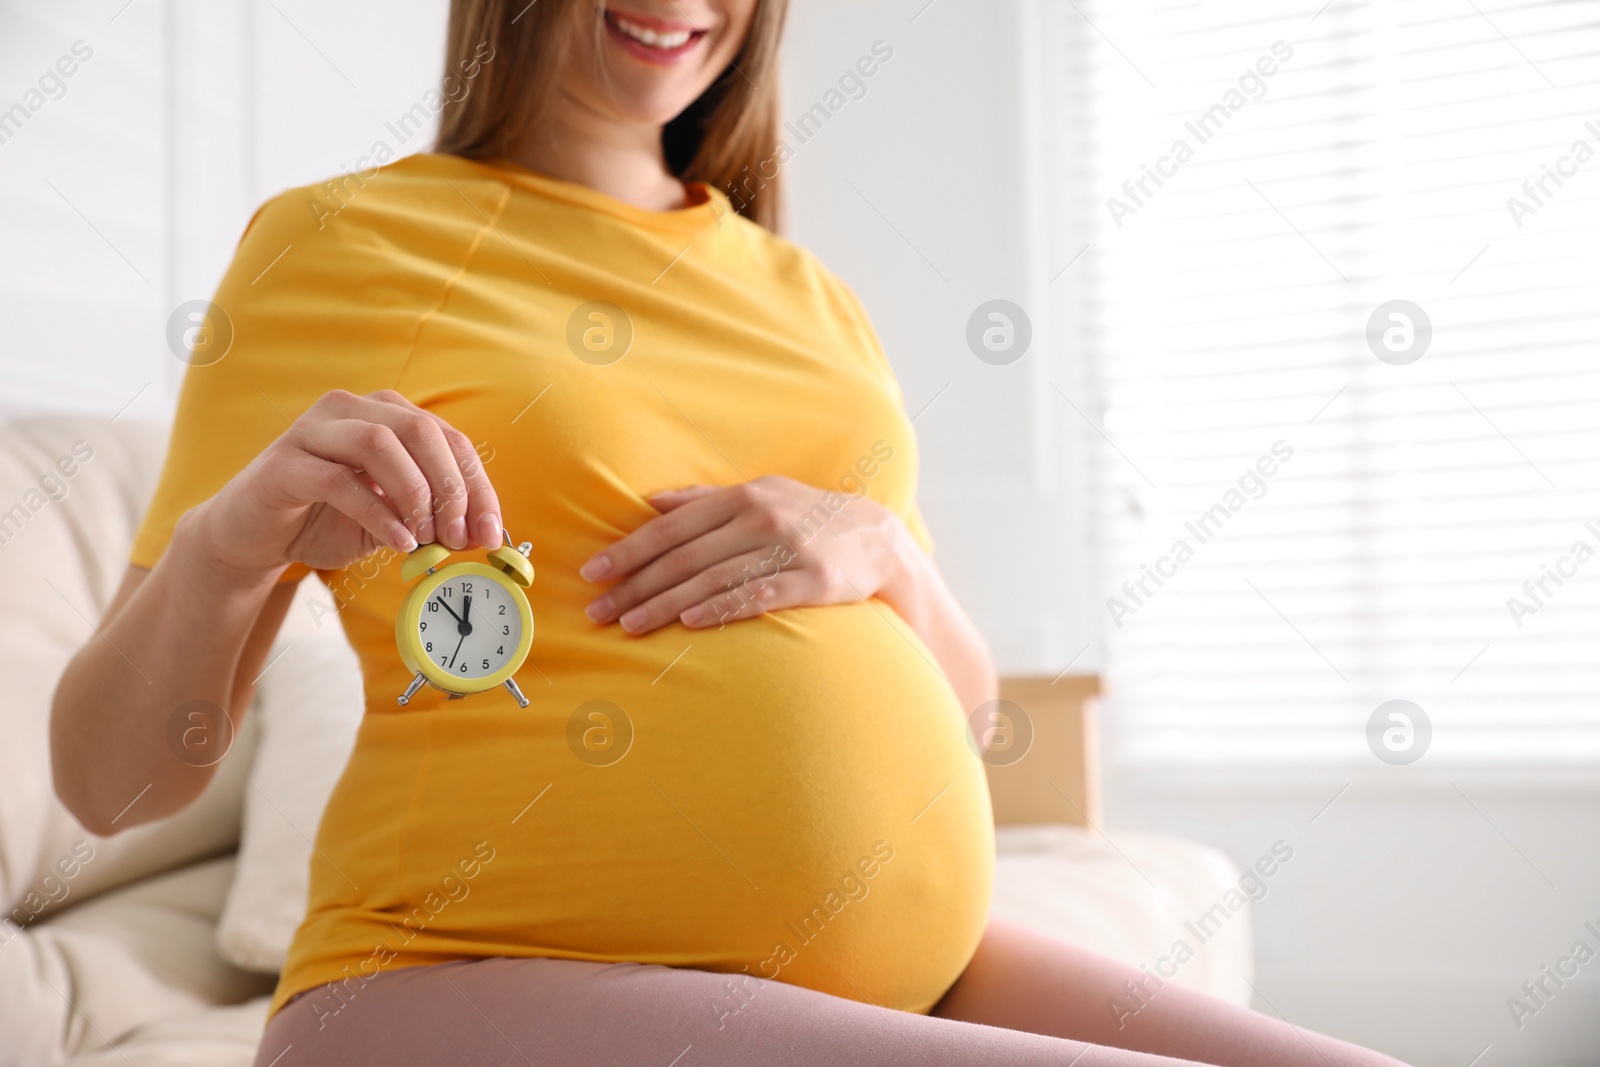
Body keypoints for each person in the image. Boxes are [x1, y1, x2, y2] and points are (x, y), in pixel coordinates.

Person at [50, 2, 1411, 1064]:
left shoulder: (810, 295)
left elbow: (977, 715)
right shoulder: (340, 245)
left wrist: (884, 550)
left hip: (913, 961)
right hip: (454, 975)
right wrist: (236, 540)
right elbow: (110, 787)